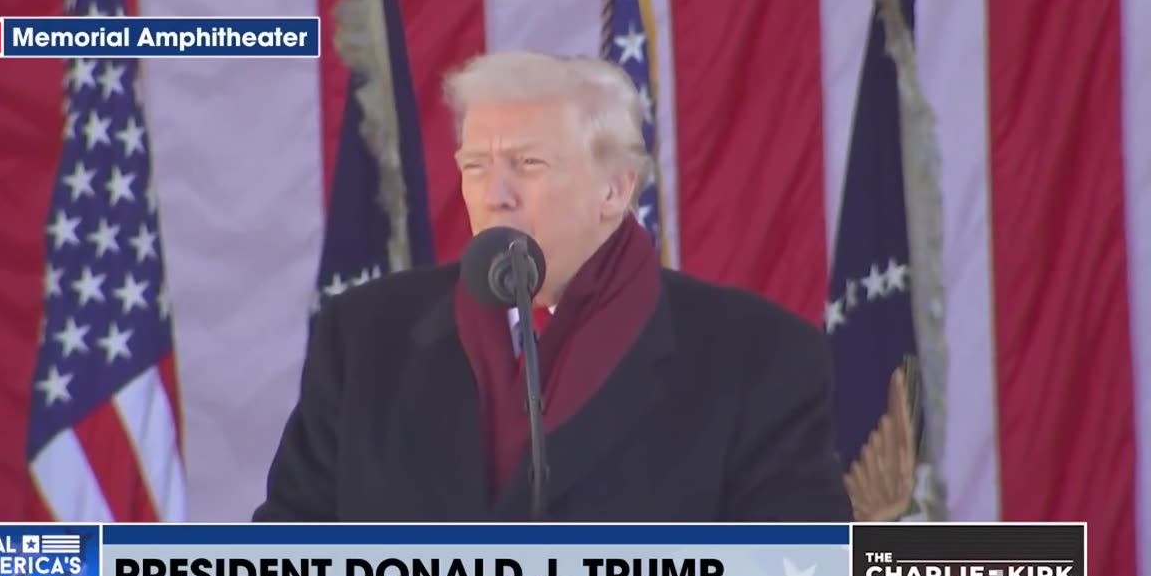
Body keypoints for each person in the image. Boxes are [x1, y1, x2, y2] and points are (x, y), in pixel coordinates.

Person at [254, 51, 851, 523]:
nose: (495, 194)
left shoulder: (757, 358)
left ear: (614, 191)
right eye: (474, 167)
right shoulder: (367, 336)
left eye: (528, 164)